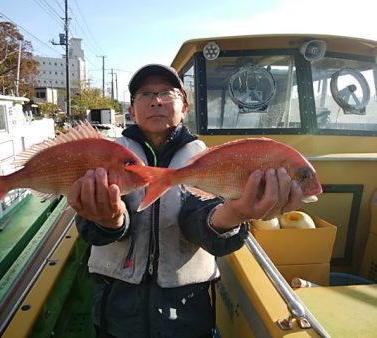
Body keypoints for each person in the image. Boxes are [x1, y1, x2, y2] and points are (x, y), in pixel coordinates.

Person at [67, 64, 303, 338]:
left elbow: (200, 221)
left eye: (168, 92)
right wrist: (109, 221)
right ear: (131, 111)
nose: (156, 100)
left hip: (187, 311)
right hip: (117, 308)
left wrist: (236, 213)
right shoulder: (109, 155)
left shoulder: (203, 159)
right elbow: (89, 230)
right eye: (145, 94)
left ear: (185, 108)